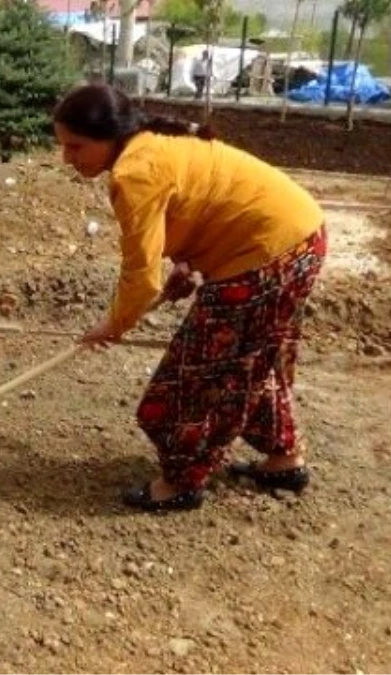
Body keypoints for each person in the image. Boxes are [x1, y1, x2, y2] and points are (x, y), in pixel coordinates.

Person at [52, 83, 327, 512]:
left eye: (75, 146)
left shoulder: (134, 172)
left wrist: (115, 324)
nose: (67, 158)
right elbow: (200, 205)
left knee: (193, 380)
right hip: (298, 239)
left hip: (266, 256)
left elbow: (140, 276)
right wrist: (188, 265)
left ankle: (180, 483)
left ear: (109, 136)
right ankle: (284, 458)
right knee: (252, 359)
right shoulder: (151, 145)